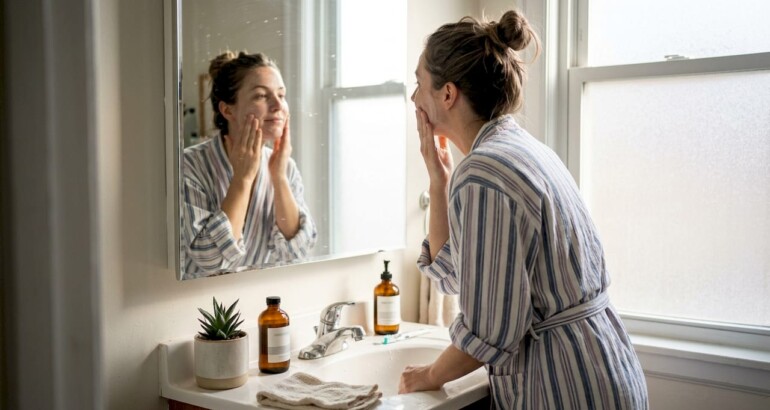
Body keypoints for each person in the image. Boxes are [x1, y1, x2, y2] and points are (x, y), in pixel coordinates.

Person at [399, 10, 648, 409]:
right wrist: (438, 179)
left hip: (564, 384)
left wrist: (425, 376)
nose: (414, 98)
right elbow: (453, 273)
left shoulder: (484, 173)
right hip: (603, 367)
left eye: (418, 83)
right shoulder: (519, 150)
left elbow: (488, 332)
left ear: (447, 94)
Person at [182, 51, 317, 279]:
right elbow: (212, 261)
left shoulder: (285, 166)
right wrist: (242, 179)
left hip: (258, 300)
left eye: (281, 95)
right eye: (261, 96)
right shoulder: (190, 165)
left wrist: (279, 178)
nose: (277, 105)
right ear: (227, 110)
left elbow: (298, 254)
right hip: (195, 308)